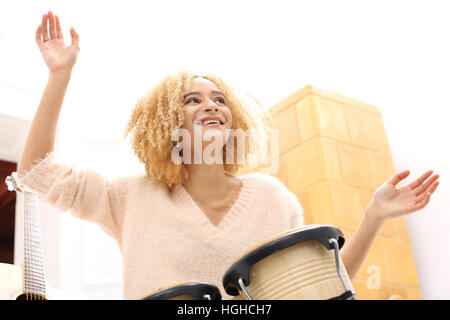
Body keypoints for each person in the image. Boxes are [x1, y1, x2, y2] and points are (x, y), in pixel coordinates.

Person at [17, 11, 440, 300]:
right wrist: (59, 74)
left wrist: (374, 216)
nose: (211, 105)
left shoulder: (272, 198)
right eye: (192, 100)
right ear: (166, 122)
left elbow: (319, 285)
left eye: (219, 99)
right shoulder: (131, 198)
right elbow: (36, 173)